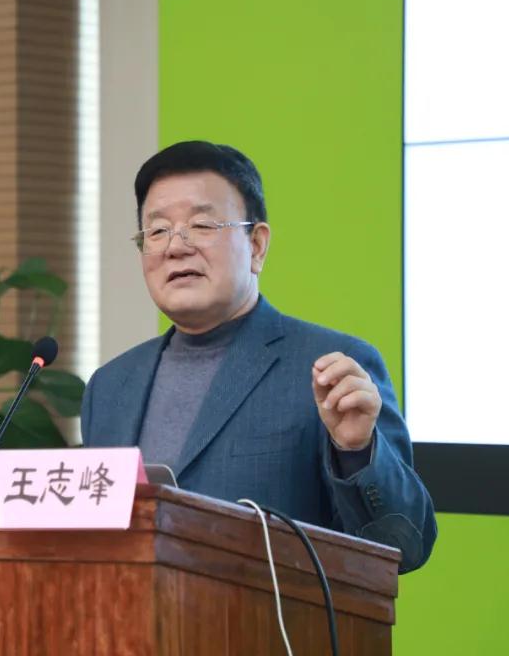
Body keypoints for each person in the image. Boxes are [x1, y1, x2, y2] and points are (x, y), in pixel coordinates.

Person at [80, 141, 436, 572]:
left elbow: (403, 547)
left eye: (202, 225)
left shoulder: (332, 369)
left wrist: (358, 451)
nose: (175, 247)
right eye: (157, 231)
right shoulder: (110, 387)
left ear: (257, 246)